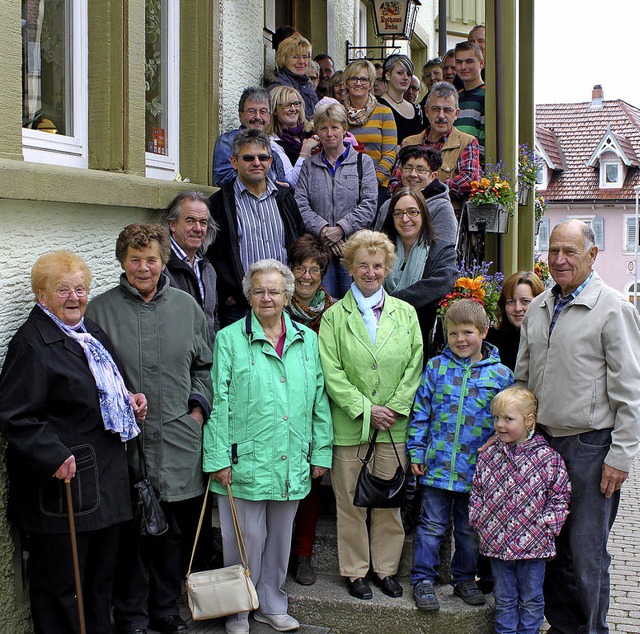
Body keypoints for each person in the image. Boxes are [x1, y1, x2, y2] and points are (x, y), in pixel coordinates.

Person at [0, 251, 145, 634]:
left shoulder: (89, 332)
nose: (74, 297)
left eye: (80, 289)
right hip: (63, 487)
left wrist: (129, 400)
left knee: (98, 581)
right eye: (62, 290)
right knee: (62, 587)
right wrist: (53, 454)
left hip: (105, 482)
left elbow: (104, 387)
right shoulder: (33, 345)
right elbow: (15, 416)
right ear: (40, 296)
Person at [86, 224, 213, 634]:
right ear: (122, 261)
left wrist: (197, 408)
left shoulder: (186, 306)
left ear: (164, 262)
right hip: (124, 447)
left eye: (152, 260)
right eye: (135, 259)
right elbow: (88, 374)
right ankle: (132, 617)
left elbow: (205, 366)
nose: (144, 268)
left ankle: (165, 611)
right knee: (130, 539)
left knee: (172, 534)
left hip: (178, 439)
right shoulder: (98, 311)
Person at [515, 219, 640, 633]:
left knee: (586, 553)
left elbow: (631, 391)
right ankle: (563, 625)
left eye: (569, 251)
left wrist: (620, 456)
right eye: (553, 251)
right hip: (542, 446)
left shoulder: (614, 309)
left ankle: (592, 629)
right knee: (548, 547)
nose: (559, 259)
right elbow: (522, 379)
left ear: (592, 255)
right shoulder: (538, 306)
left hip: (591, 449)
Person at [203, 259, 333, 634]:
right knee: (243, 539)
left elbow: (318, 399)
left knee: (279, 538)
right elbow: (219, 401)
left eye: (274, 291)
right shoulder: (229, 339)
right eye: (258, 290)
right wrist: (217, 458)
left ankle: (272, 603)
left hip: (291, 457)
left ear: (287, 295)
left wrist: (320, 452)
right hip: (243, 459)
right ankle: (239, 610)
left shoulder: (307, 340)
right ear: (248, 295)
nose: (266, 297)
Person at [318, 230, 423, 601]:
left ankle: (386, 570)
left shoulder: (406, 314)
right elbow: (331, 371)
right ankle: (355, 572)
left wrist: (392, 408)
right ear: (349, 268)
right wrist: (366, 409)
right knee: (350, 503)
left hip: (394, 426)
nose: (370, 271)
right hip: (351, 426)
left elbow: (415, 366)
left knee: (389, 503)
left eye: (377, 265)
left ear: (387, 269)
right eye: (362, 265)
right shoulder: (333, 317)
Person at [407, 299, 513, 612]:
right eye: (453, 334)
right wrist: (416, 449)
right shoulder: (436, 368)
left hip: (476, 471)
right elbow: (421, 412)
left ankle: (465, 578)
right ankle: (423, 579)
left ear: (483, 331)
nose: (460, 340)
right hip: (437, 466)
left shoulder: (500, 376)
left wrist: (499, 455)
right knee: (431, 526)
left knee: (469, 531)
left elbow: (506, 423)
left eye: (467, 332)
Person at [470, 387, 571, 634]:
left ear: (529, 421)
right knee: (504, 598)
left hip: (534, 546)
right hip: (498, 543)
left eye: (508, 419)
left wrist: (547, 525)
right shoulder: (489, 456)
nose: (500, 425)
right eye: (496, 418)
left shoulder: (548, 458)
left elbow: (560, 495)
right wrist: (479, 519)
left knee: (531, 598)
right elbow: (478, 491)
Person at [207, 128, 305, 327]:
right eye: (248, 157)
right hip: (240, 305)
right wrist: (230, 293)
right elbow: (212, 254)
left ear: (270, 161)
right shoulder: (219, 204)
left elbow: (299, 242)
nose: (256, 163)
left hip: (282, 304)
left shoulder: (285, 199)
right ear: (234, 162)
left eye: (263, 157)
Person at [282, 235, 335, 586]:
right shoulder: (275, 306)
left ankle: (302, 554)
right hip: (279, 405)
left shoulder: (335, 311)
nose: (306, 275)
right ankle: (276, 553)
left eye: (314, 269)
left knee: (311, 485)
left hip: (316, 405)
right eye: (300, 267)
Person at [295, 102, 378, 298]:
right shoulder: (309, 166)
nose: (329, 133)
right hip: (319, 251)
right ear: (317, 131)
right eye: (323, 128)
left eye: (335, 127)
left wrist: (341, 228)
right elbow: (300, 204)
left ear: (344, 129)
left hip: (352, 249)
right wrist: (324, 230)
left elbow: (369, 203)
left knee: (355, 304)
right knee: (324, 303)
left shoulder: (362, 162)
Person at [381, 187, 457, 353]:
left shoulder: (441, 250)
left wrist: (391, 302)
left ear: (423, 215)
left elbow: (442, 284)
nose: (405, 218)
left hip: (422, 335)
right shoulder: (380, 249)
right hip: (379, 329)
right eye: (398, 213)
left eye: (412, 212)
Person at [389, 81, 481, 210]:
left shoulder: (467, 142)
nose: (441, 116)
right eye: (435, 109)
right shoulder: (409, 143)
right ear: (426, 111)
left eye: (448, 110)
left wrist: (427, 187)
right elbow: (394, 184)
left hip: (448, 214)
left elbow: (469, 180)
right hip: (408, 215)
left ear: (456, 114)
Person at [163, 191, 219, 343]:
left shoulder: (208, 269)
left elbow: (213, 319)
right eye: (190, 221)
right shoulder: (162, 267)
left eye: (203, 222)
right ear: (172, 225)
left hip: (205, 360)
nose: (198, 228)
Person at [376, 146, 458, 247]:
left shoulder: (441, 208)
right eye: (408, 168)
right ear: (401, 173)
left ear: (433, 176)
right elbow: (377, 244)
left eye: (420, 170)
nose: (413, 174)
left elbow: (444, 252)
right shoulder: (388, 205)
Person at [342, 59, 397, 205]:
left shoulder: (384, 112)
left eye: (364, 79)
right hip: (343, 186)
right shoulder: (338, 112)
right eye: (353, 78)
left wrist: (374, 181)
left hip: (377, 186)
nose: (358, 83)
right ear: (346, 82)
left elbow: (390, 154)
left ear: (371, 83)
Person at [212, 87, 286, 186]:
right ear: (240, 115)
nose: (258, 117)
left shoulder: (273, 149)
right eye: (252, 111)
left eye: (263, 111)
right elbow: (223, 179)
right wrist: (269, 185)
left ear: (269, 117)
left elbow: (281, 181)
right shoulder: (228, 142)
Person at [486, 271, 544, 371]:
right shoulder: (490, 341)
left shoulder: (547, 338)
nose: (517, 308)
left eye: (525, 301)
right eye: (510, 302)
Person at [267, 34, 318, 119]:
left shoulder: (307, 85)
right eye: (295, 57)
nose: (302, 61)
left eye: (305, 57)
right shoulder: (277, 87)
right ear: (283, 58)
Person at [378, 54, 423, 144]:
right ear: (388, 75)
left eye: (409, 74)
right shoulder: (377, 106)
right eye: (400, 73)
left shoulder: (417, 109)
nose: (405, 77)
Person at [454, 41, 486, 163]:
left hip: (475, 165)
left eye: (469, 61)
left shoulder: (487, 95)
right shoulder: (454, 97)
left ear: (481, 64)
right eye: (459, 62)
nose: (463, 67)